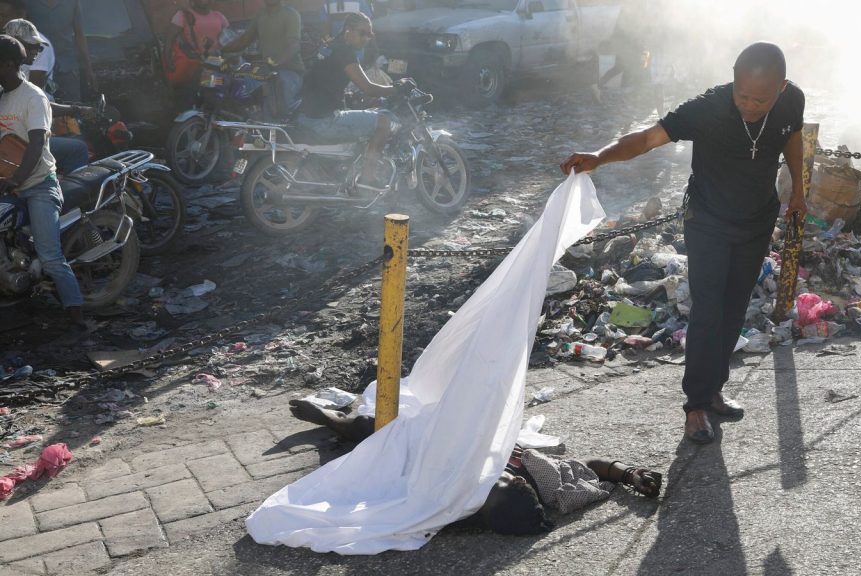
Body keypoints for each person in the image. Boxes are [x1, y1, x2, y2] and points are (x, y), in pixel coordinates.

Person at [560, 42, 807, 445]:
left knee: (733, 307)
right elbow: (645, 139)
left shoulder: (791, 100)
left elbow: (792, 136)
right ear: (732, 80)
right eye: (742, 95)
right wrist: (599, 157)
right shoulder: (706, 109)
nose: (748, 105)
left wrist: (797, 189)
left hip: (757, 220)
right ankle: (695, 405)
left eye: (760, 99)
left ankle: (714, 389)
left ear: (781, 88)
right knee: (708, 309)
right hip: (708, 221)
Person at [286, 397, 662, 535]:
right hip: (474, 439)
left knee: (392, 436)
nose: (499, 477)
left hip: (432, 459)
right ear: (522, 482)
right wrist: (628, 472)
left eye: (489, 486)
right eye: (506, 479)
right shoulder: (548, 482)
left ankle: (337, 422)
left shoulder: (449, 506)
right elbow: (589, 467)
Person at [0, 34, 83, 323]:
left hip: (38, 186)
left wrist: (17, 179)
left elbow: (37, 144)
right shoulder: (1, 95)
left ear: (9, 64)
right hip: (7, 184)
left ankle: (76, 314)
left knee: (50, 257)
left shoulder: (33, 97)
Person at [299, 11, 402, 188]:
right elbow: (369, 88)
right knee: (383, 123)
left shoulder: (330, 47)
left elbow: (325, 82)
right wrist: (397, 89)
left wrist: (350, 97)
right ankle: (368, 178)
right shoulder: (345, 53)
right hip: (324, 119)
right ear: (348, 31)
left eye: (370, 34)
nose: (366, 38)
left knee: (366, 115)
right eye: (362, 33)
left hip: (307, 113)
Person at [3, 17, 90, 173]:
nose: (37, 52)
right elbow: (34, 104)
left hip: (13, 135)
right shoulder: (8, 74)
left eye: (39, 48)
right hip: (11, 141)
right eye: (31, 47)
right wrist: (75, 109)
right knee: (78, 148)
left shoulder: (16, 72)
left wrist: (75, 109)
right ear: (13, 43)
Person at [221, 0, 304, 117]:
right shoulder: (261, 14)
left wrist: (275, 63)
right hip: (266, 72)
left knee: (276, 102)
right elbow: (245, 39)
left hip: (290, 71)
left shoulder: (291, 14)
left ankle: (284, 131)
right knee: (238, 89)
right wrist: (222, 51)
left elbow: (294, 45)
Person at [23, 0, 94, 101]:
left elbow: (79, 34)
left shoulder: (72, 3)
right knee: (37, 105)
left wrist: (88, 67)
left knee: (72, 108)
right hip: (37, 68)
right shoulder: (28, 3)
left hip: (66, 68)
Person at [164, 0, 230, 89]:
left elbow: (230, 40)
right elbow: (169, 38)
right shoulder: (183, 14)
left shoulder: (219, 16)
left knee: (225, 83)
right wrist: (168, 59)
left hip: (215, 63)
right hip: (194, 66)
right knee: (213, 84)